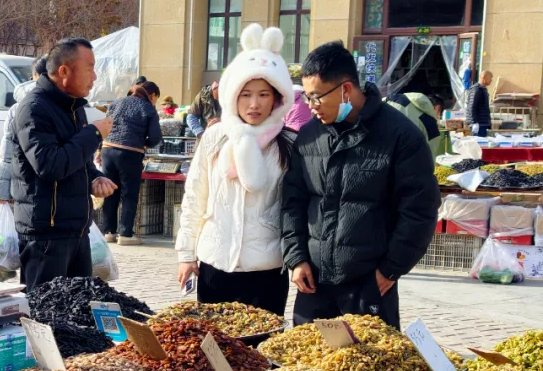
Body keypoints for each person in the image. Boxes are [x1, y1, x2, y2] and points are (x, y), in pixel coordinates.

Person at [282, 41, 439, 329]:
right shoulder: (308, 137)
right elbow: (293, 201)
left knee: (366, 369)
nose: (311, 106)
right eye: (307, 97)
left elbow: (420, 211)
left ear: (346, 89)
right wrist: (296, 257)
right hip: (313, 284)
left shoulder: (400, 136)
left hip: (369, 285)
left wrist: (390, 270)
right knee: (305, 368)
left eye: (317, 97)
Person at [176, 24, 295, 316]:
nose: (254, 104)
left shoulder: (289, 144)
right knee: (214, 350)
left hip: (267, 268)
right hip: (216, 264)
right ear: (232, 96)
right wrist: (186, 254)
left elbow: (296, 208)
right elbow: (196, 195)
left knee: (261, 352)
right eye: (245, 94)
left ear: (277, 98)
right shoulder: (216, 137)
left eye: (264, 94)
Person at [10, 37, 117, 291]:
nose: (95, 76)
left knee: (77, 317)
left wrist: (95, 177)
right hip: (46, 236)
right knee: (44, 318)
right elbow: (50, 165)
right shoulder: (34, 108)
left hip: (76, 230)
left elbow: (78, 159)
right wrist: (93, 134)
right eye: (89, 67)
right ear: (64, 71)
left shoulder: (75, 107)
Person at [102, 80, 162, 245]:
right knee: (129, 193)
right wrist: (146, 143)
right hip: (130, 152)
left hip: (108, 149)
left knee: (110, 191)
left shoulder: (116, 103)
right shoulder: (148, 108)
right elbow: (156, 137)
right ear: (151, 95)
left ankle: (108, 232)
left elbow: (105, 125)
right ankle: (125, 234)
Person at [0, 56, 45, 203]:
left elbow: (7, 151)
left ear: (34, 75)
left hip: (22, 175)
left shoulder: (17, 108)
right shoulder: (67, 107)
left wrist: (2, 192)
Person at [386, 91, 443, 160]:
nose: (438, 117)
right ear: (437, 108)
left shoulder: (392, 99)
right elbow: (429, 157)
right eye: (439, 114)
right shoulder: (429, 123)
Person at [466, 69, 493, 137]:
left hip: (483, 123)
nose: (491, 80)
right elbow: (472, 106)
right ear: (484, 77)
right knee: (479, 145)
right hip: (478, 124)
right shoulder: (476, 89)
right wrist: (475, 122)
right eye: (490, 78)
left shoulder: (482, 89)